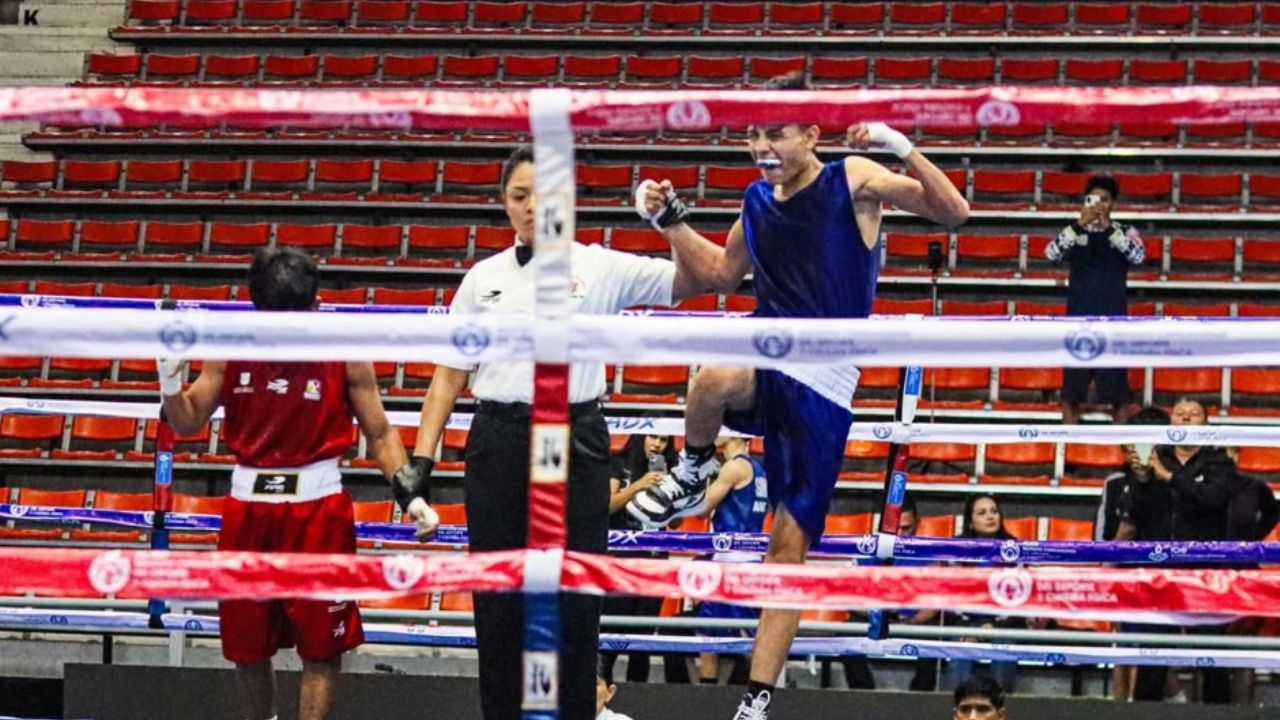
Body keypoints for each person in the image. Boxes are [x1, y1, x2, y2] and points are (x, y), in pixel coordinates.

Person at [623, 71, 969, 719]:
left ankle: (756, 700)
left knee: (787, 549)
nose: (762, 145)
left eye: (776, 132)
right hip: (765, 356)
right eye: (753, 132)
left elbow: (955, 213)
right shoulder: (756, 200)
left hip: (826, 381)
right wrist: (668, 220)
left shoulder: (854, 178)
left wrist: (900, 144)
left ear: (811, 135)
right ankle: (694, 470)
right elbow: (720, 277)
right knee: (712, 377)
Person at [410, 144, 708, 720]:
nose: (531, 207)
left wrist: (670, 221)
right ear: (505, 203)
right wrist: (421, 464)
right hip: (498, 438)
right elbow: (448, 377)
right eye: (520, 196)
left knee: (576, 602)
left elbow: (697, 280)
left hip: (575, 439)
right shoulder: (482, 278)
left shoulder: (600, 265)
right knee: (497, 605)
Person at [156, 247, 439, 720]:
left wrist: (409, 494)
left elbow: (380, 432)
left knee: (321, 649)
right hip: (248, 510)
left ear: (317, 305)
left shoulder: (343, 350)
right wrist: (168, 382)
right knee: (246, 649)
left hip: (318, 509)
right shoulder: (231, 348)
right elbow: (186, 422)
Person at [1118, 397, 1236, 704]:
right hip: (1161, 569)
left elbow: (1214, 499)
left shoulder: (1219, 463)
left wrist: (1169, 477)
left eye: (1193, 414)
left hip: (1204, 571)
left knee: (1212, 656)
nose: (1185, 419)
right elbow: (1135, 514)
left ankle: (1219, 714)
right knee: (1153, 656)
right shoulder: (1155, 457)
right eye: (1179, 414)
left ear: (1206, 425)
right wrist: (1143, 479)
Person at [1045, 173, 1144, 426]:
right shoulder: (1073, 231)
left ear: (1113, 204)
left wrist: (1109, 228)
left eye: (1105, 200)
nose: (1099, 205)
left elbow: (1137, 256)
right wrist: (1079, 225)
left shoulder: (1125, 231)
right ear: (1085, 201)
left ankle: (1119, 452)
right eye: (1094, 199)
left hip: (1113, 317)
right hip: (1078, 318)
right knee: (1070, 392)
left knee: (1119, 395)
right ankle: (1069, 453)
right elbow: (1051, 253)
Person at [1091, 405, 1172, 701]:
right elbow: (1105, 534)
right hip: (1124, 574)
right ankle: (1121, 706)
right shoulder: (1114, 484)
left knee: (1151, 649)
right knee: (1123, 643)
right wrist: (1107, 565)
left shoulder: (1174, 482)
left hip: (1165, 574)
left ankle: (1152, 703)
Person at [602, 431, 688, 685]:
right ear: (641, 437)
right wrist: (639, 485)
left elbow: (677, 524)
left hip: (655, 564)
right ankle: (600, 695)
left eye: (663, 440)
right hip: (621, 563)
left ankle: (637, 698)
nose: (658, 444)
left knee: (642, 639)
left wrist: (671, 496)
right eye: (653, 437)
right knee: (610, 636)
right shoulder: (618, 463)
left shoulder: (671, 472)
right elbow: (607, 506)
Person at [695, 435, 768, 686]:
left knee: (740, 638)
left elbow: (701, 508)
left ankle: (748, 697)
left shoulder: (735, 467)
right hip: (742, 560)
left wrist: (696, 478)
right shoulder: (758, 469)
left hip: (735, 563)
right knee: (709, 635)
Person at [943, 494, 1025, 693]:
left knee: (1003, 655)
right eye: (982, 513)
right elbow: (952, 597)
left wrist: (993, 625)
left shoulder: (1015, 550)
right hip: (964, 623)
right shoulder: (956, 549)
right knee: (960, 659)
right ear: (970, 522)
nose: (991, 517)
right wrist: (973, 629)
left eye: (994, 511)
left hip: (1004, 624)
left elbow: (1018, 599)